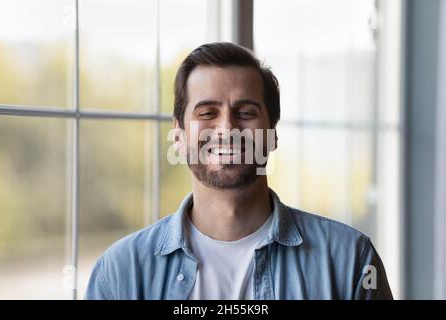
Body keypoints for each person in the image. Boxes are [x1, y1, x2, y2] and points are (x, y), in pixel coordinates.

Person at [85, 42, 393, 300]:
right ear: (178, 137)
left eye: (245, 113)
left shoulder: (351, 260)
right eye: (207, 113)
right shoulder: (120, 273)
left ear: (272, 133)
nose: (227, 128)